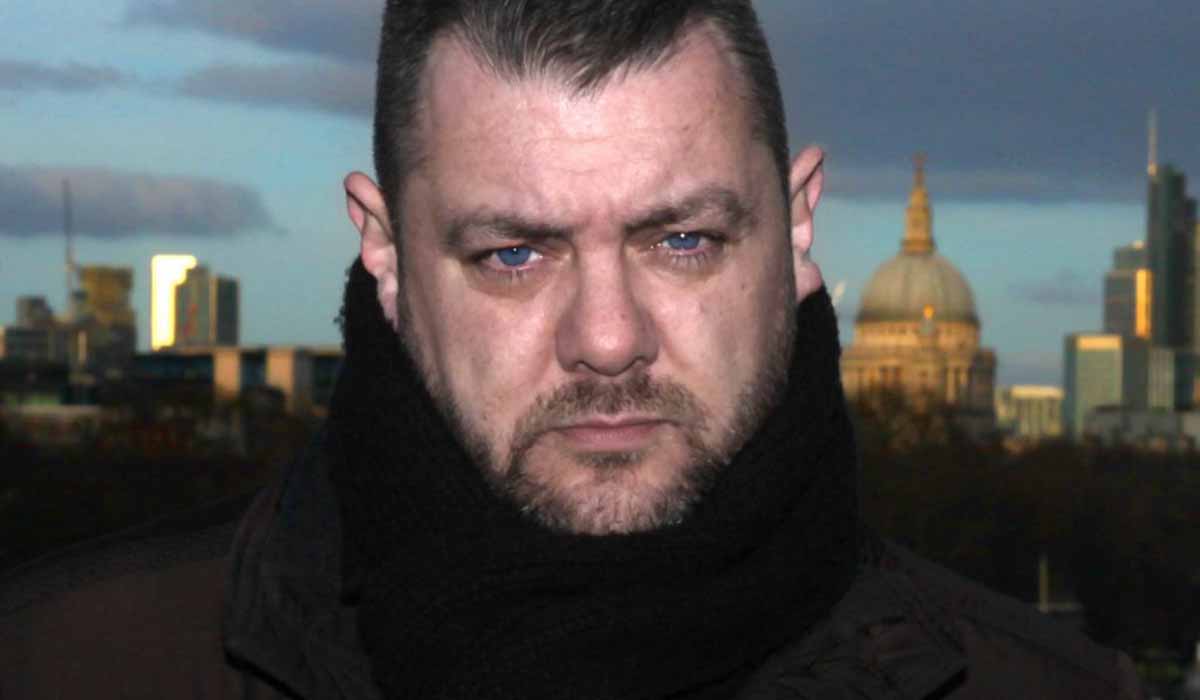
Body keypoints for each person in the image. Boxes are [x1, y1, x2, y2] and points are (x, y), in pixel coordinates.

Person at [0, 1, 1143, 698]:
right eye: (514, 253)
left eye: (683, 240)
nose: (607, 340)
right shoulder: (57, 668)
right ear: (383, 251)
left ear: (798, 226)